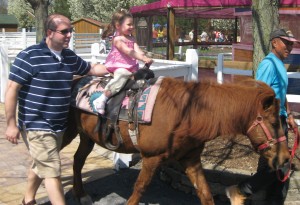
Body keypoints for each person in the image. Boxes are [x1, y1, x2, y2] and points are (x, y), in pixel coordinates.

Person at [5, 14, 108, 205]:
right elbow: (11, 89)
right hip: (36, 124)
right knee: (53, 171)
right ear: (50, 33)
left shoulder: (68, 56)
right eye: (64, 31)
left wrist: (115, 68)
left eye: (71, 30)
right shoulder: (30, 56)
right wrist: (11, 124)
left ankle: (28, 199)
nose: (69, 34)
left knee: (41, 164)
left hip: (58, 124)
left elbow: (91, 69)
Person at [226, 28, 299, 205]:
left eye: (291, 44)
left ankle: (272, 200)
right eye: (286, 42)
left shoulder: (280, 64)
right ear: (274, 42)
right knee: (280, 163)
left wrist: (288, 114)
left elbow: (280, 93)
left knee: (273, 165)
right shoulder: (269, 64)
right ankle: (240, 191)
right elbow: (259, 94)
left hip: (279, 119)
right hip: (270, 122)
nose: (289, 46)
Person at [93, 9, 153, 115]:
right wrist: (142, 58)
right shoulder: (117, 39)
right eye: (129, 24)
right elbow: (128, 51)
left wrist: (145, 57)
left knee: (147, 75)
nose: (132, 27)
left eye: (132, 24)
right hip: (118, 65)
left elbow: (137, 50)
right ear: (118, 26)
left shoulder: (132, 38)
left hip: (130, 66)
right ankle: (102, 98)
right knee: (122, 75)